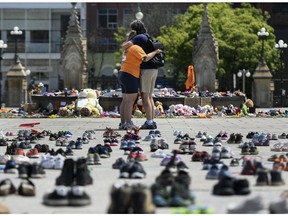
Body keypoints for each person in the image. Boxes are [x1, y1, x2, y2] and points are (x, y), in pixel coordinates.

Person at [118, 30, 162, 130]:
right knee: (130, 101)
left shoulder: (127, 49)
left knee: (125, 100)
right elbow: (145, 58)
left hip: (122, 73)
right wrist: (155, 52)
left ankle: (123, 123)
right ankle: (128, 123)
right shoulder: (135, 47)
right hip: (130, 75)